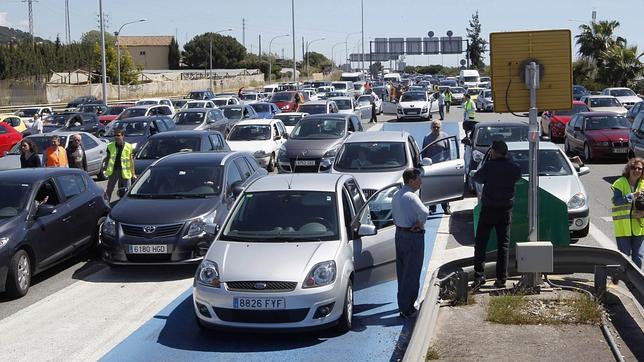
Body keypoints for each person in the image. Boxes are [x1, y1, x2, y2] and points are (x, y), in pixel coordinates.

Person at [471, 141, 521, 289]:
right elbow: (517, 176)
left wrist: (489, 162)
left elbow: (477, 178)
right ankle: (501, 279)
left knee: (481, 244)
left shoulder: (489, 166)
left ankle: (479, 275)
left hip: (489, 210)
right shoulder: (513, 168)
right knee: (503, 246)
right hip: (505, 211)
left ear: (494, 152)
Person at [392, 168, 429, 318]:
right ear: (411, 181)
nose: (421, 182)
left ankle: (402, 304)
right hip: (412, 237)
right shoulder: (411, 197)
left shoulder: (396, 194)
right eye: (419, 179)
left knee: (402, 272)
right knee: (412, 272)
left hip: (399, 234)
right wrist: (420, 224)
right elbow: (425, 212)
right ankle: (408, 308)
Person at [611, 157, 644, 269]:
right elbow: (617, 201)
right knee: (624, 257)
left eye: (640, 169)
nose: (637, 171)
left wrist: (642, 214)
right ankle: (617, 274)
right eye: (634, 168)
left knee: (638, 257)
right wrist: (632, 195)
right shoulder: (620, 183)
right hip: (623, 228)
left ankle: (635, 285)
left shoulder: (643, 184)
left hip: (639, 227)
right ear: (629, 169)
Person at [421, 120, 451, 215]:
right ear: (431, 128)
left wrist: (448, 164)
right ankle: (432, 207)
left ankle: (446, 207)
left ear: (440, 127)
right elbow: (424, 153)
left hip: (443, 167)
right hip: (431, 167)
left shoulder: (445, 136)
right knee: (432, 188)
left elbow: (449, 151)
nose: (436, 129)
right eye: (434, 127)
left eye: (437, 127)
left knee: (444, 189)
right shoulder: (427, 138)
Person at [104, 129, 137, 203]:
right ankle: (106, 205)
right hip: (114, 171)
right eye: (115, 135)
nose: (116, 137)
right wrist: (106, 167)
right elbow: (107, 158)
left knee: (127, 190)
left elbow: (131, 161)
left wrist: (133, 173)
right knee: (109, 190)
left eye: (118, 135)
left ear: (122, 136)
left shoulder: (129, 146)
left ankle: (126, 205)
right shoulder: (110, 146)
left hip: (125, 172)